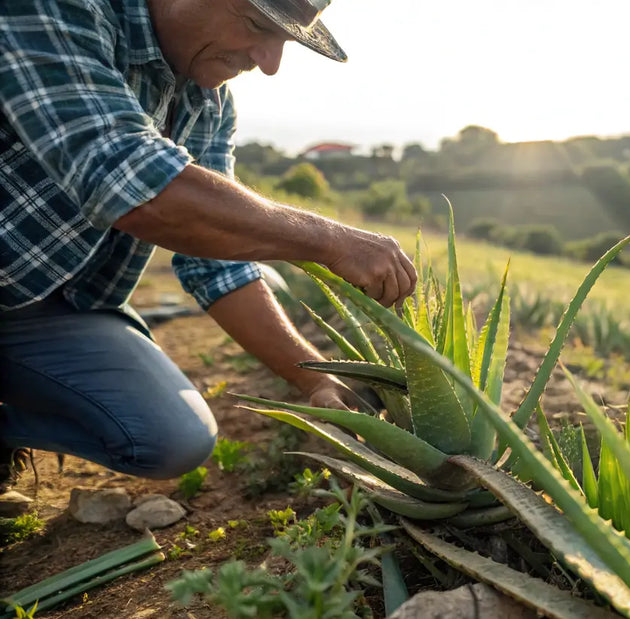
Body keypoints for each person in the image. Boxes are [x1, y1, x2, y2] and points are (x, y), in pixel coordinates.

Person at [0, 0, 416, 492]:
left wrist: (315, 379)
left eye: (287, 41)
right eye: (260, 26)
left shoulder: (208, 105)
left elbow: (216, 265)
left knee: (173, 438)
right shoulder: (53, 9)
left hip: (56, 307)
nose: (269, 63)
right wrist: (327, 241)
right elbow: (124, 178)